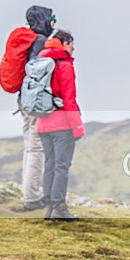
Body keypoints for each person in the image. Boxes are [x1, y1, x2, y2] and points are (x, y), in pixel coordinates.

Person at [36, 30, 85, 221]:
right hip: (61, 124)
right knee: (62, 166)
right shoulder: (64, 65)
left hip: (42, 122)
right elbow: (69, 99)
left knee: (50, 164)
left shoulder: (41, 62)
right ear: (64, 43)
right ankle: (59, 207)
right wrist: (77, 126)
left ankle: (49, 207)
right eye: (71, 43)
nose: (74, 48)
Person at [19, 5, 57, 211]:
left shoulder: (26, 39)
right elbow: (41, 74)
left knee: (29, 145)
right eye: (52, 19)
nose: (53, 23)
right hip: (35, 101)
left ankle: (29, 191)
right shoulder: (40, 42)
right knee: (37, 148)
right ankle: (32, 197)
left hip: (23, 99)